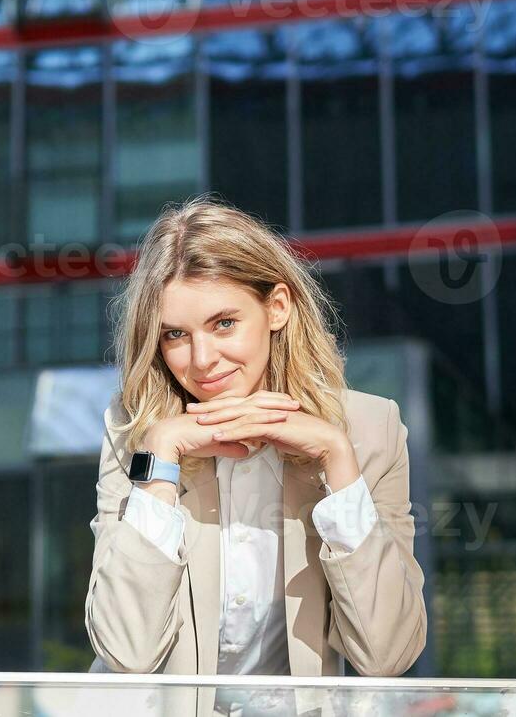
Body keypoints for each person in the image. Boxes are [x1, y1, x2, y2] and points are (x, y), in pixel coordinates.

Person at [85, 196, 427, 687]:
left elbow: (387, 653)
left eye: (224, 323)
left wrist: (338, 464)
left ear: (278, 307)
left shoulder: (369, 431)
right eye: (176, 335)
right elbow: (127, 652)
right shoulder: (135, 430)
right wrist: (160, 459)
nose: (202, 360)